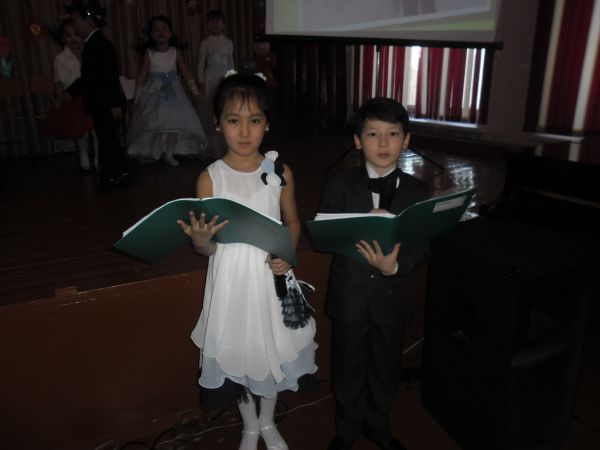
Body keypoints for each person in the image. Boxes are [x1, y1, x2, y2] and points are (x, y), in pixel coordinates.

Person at [177, 72, 317, 450]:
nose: (244, 131)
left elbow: (292, 222)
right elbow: (208, 248)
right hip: (231, 281)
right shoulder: (210, 178)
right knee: (239, 350)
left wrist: (287, 253)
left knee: (271, 347)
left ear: (266, 123)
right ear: (217, 123)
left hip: (271, 276)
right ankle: (250, 426)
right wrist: (201, 242)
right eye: (233, 120)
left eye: (254, 120)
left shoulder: (279, 172)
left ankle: (268, 422)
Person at [319, 97, 431, 450]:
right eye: (372, 134)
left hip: (391, 297)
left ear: (406, 140)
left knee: (386, 366)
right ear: (357, 140)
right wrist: (358, 230)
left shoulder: (418, 190)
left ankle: (379, 427)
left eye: (393, 134)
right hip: (350, 296)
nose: (383, 143)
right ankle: (347, 430)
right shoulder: (339, 184)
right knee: (347, 367)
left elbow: (423, 246)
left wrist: (394, 266)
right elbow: (324, 237)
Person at [66, 0, 129, 192]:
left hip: (105, 103)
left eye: (76, 21)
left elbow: (109, 78)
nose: (74, 26)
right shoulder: (93, 43)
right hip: (100, 103)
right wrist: (70, 92)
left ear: (88, 20)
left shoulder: (100, 45)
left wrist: (115, 104)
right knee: (108, 139)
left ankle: (109, 178)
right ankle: (120, 172)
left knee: (106, 140)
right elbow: (89, 78)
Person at [127, 15, 207, 166]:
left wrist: (195, 92)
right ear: (151, 35)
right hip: (154, 91)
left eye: (164, 29)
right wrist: (137, 98)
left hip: (174, 92)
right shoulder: (150, 53)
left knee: (174, 122)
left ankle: (169, 153)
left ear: (170, 33)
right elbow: (141, 76)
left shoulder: (175, 52)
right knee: (157, 120)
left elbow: (186, 73)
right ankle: (156, 144)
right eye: (156, 30)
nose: (161, 32)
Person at [44, 15, 97, 171]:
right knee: (80, 131)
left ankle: (99, 159)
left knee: (96, 129)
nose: (74, 39)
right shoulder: (60, 59)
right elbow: (58, 82)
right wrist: (59, 99)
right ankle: (83, 154)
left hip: (92, 96)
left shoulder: (91, 53)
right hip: (73, 99)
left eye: (77, 34)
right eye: (68, 35)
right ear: (62, 38)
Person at [197, 9, 234, 129]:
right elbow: (200, 65)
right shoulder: (205, 43)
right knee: (210, 104)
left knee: (224, 103)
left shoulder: (229, 42)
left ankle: (225, 128)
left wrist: (232, 79)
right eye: (211, 21)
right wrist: (201, 82)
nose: (214, 24)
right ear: (207, 25)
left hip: (224, 77)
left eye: (217, 21)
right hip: (210, 78)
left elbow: (231, 63)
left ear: (224, 25)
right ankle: (210, 129)